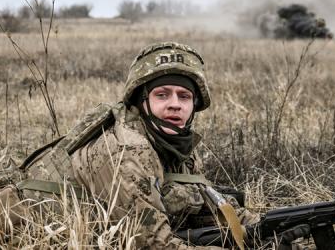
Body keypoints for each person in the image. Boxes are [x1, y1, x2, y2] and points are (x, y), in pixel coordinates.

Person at [20, 41, 259, 248]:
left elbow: (206, 205)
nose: (175, 104)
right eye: (162, 95)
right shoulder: (128, 150)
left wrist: (264, 229)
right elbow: (151, 244)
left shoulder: (174, 145)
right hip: (13, 228)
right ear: (141, 101)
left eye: (184, 96)